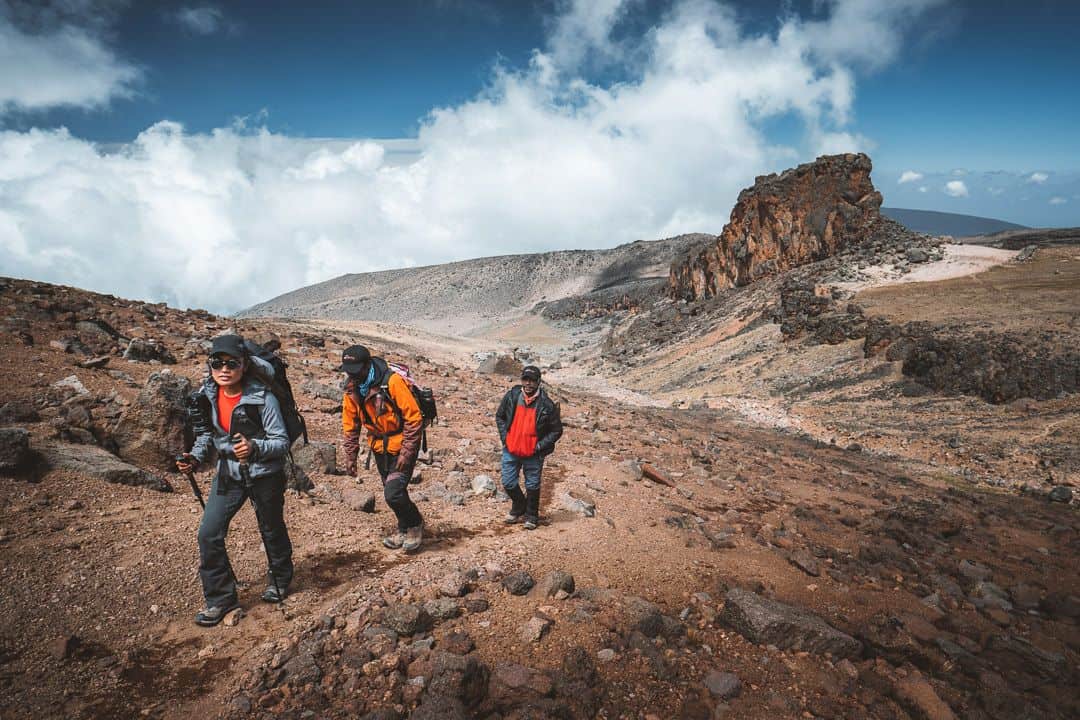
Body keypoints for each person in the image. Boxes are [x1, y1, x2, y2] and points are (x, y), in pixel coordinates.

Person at [176, 335, 294, 627]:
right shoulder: (207, 395)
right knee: (208, 532)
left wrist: (255, 447)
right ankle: (220, 600)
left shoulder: (262, 397)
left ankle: (280, 579)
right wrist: (194, 457)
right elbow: (207, 436)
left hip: (265, 475)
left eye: (232, 363)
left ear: (244, 366)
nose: (224, 369)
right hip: (229, 472)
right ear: (210, 365)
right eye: (217, 363)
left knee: (270, 528)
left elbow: (281, 442)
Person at [340, 345, 425, 553]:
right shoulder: (352, 389)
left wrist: (406, 451)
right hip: (379, 447)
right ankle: (403, 529)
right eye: (349, 370)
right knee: (393, 490)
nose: (353, 375)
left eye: (357, 370)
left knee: (393, 492)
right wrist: (350, 456)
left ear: (367, 365)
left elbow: (413, 419)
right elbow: (350, 425)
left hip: (402, 443)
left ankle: (415, 525)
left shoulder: (392, 382)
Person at [495, 365, 563, 530]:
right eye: (526, 379)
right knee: (508, 482)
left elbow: (557, 430)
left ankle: (532, 515)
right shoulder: (512, 396)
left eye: (533, 380)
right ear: (522, 380)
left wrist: (539, 446)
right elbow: (500, 416)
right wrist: (506, 438)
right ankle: (519, 505)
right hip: (511, 449)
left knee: (532, 484)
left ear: (539, 382)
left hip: (533, 453)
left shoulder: (547, 405)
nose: (529, 383)